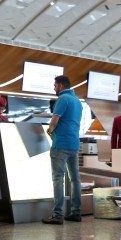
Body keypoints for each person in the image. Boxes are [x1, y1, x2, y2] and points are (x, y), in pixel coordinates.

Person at [42, 75, 83, 225]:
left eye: (55, 85)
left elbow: (54, 122)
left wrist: (49, 132)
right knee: (75, 179)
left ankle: (57, 214)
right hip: (74, 144)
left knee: (58, 179)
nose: (54, 88)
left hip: (61, 144)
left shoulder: (62, 99)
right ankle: (76, 212)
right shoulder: (78, 102)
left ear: (60, 85)